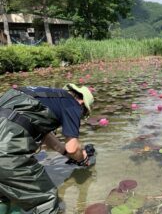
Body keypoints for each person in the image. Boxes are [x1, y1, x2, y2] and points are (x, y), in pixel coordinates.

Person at [0, 83, 95, 214]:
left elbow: (44, 135)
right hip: (6, 151)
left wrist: (65, 153)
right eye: (83, 113)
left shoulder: (42, 93)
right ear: (82, 103)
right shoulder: (73, 104)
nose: (81, 115)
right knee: (46, 201)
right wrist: (82, 157)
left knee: (4, 193)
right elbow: (73, 147)